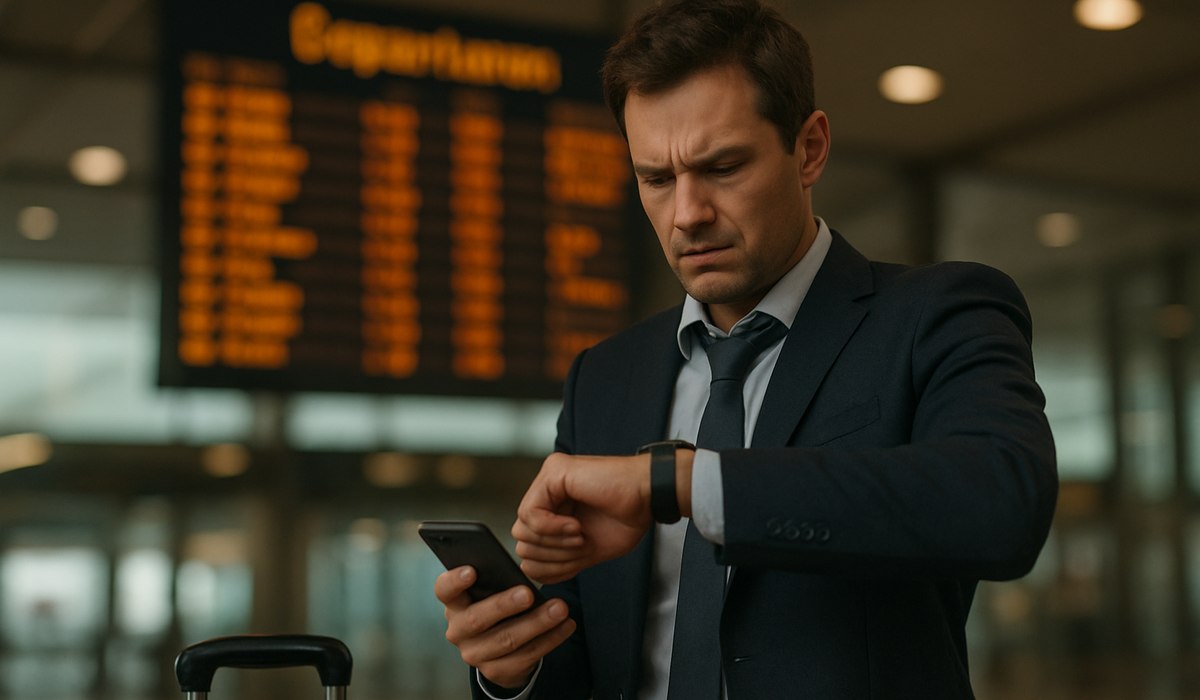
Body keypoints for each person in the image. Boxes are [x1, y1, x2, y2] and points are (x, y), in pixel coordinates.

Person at [433, 0, 1057, 698]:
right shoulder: (605, 379)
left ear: (809, 148)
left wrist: (679, 482)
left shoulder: (935, 314)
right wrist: (515, 666)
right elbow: (593, 660)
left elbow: (1002, 503)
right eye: (657, 180)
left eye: (723, 167)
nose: (687, 214)